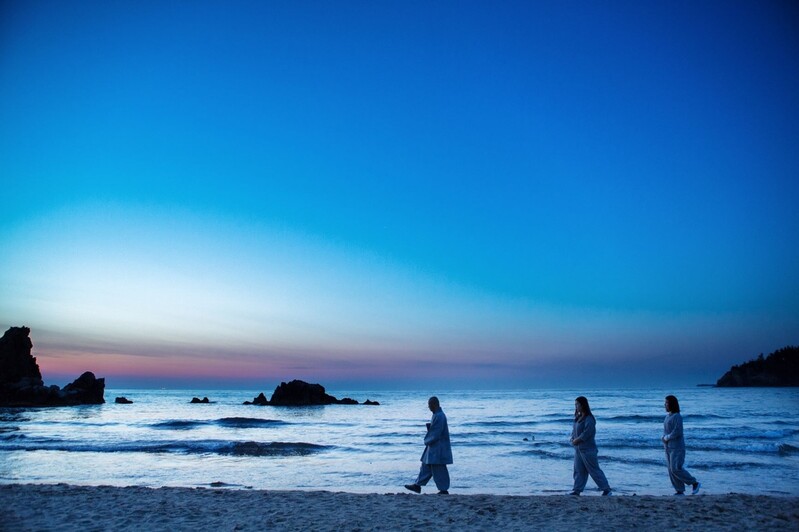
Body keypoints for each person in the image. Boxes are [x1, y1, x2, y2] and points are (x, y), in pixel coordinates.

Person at [404, 396, 453, 494]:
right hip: (434, 446)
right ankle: (417, 485)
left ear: (434, 404)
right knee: (426, 465)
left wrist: (427, 439)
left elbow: (436, 433)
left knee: (438, 468)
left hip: (438, 447)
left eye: (429, 405)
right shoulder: (437, 415)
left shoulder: (440, 416)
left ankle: (443, 489)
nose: (428, 407)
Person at [569, 396, 612, 496]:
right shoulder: (578, 418)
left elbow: (587, 433)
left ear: (583, 405)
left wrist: (577, 440)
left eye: (577, 404)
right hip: (578, 450)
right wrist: (572, 439)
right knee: (578, 470)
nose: (576, 406)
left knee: (594, 470)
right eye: (575, 404)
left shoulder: (589, 418)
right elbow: (573, 432)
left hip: (588, 450)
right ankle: (577, 490)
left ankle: (606, 489)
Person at [662, 395, 700, 495]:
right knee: (671, 470)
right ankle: (679, 490)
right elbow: (666, 431)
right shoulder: (667, 416)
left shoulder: (677, 416)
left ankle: (694, 483)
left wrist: (668, 437)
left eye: (666, 403)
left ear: (671, 404)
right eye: (665, 403)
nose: (665, 405)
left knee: (676, 468)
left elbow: (678, 431)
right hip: (668, 447)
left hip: (677, 447)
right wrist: (664, 438)